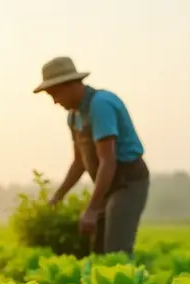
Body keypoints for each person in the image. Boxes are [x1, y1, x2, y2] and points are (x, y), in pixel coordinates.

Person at [34, 56, 149, 255]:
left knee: (116, 249)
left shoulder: (100, 105)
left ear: (70, 85)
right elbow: (79, 162)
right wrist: (57, 197)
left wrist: (93, 209)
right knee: (98, 248)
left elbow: (108, 161)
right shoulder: (74, 115)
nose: (54, 101)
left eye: (55, 94)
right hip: (106, 184)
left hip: (127, 182)